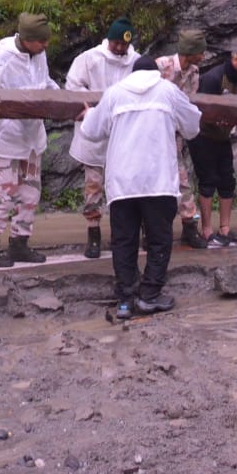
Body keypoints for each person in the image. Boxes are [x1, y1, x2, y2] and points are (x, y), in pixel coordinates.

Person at [79, 56, 202, 319]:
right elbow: (193, 127)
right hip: (159, 182)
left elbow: (91, 131)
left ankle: (125, 300)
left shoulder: (114, 94)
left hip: (123, 184)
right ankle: (150, 295)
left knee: (124, 241)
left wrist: (89, 114)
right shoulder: (169, 91)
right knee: (159, 240)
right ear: (157, 73)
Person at [0, 13, 60, 268]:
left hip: (32, 137)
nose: (46, 45)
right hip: (5, 138)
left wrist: (61, 98)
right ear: (27, 39)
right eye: (41, 41)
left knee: (31, 191)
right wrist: (4, 112)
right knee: (5, 192)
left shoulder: (39, 55)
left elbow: (45, 83)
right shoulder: (2, 60)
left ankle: (20, 242)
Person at [66, 17, 140, 258]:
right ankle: (93, 233)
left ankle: (122, 234)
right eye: (116, 43)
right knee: (93, 186)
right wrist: (97, 108)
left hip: (123, 135)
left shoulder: (135, 62)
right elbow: (74, 86)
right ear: (109, 39)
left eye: (124, 44)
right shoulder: (88, 59)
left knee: (124, 187)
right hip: (94, 133)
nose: (119, 48)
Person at [188, 48, 237, 247]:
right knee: (207, 181)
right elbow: (200, 109)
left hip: (223, 136)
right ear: (235, 59)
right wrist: (220, 119)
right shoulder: (213, 78)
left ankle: (225, 229)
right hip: (202, 136)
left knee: (227, 181)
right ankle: (206, 231)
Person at [157, 29, 207, 249]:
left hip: (174, 137)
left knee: (183, 181)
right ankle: (151, 231)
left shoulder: (194, 72)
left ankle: (189, 227)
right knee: (154, 184)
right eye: (200, 52)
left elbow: (188, 103)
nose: (203, 56)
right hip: (153, 135)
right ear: (190, 51)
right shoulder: (162, 66)